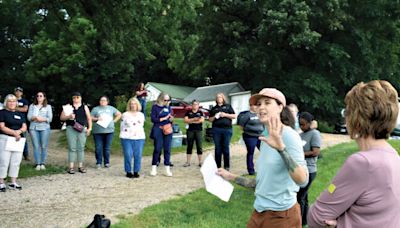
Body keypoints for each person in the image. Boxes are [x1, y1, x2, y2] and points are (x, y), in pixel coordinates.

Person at [308, 80, 400, 228]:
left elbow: (317, 217)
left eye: (347, 111)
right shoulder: (394, 156)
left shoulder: (363, 162)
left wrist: (339, 222)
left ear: (355, 117)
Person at [217, 88, 308, 227]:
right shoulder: (265, 136)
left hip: (281, 216)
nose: (261, 107)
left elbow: (302, 180)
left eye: (267, 102)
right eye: (258, 104)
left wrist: (281, 149)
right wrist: (230, 176)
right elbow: (262, 184)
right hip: (259, 211)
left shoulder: (289, 135)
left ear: (280, 107)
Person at [296, 111, 321, 226]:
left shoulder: (314, 134)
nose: (301, 126)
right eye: (300, 124)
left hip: (310, 170)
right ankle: (305, 221)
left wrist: (299, 154)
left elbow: (315, 152)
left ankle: (298, 222)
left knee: (299, 197)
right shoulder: (300, 135)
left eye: (303, 124)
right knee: (304, 197)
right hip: (301, 169)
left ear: (310, 123)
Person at [0, 94, 28, 191]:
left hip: (18, 140)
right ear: (6, 102)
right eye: (9, 101)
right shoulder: (2, 112)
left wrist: (19, 132)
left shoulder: (19, 113)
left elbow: (24, 126)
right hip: (6, 138)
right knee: (4, 161)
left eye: (13, 101)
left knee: (16, 161)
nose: (12, 103)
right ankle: (1, 182)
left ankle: (13, 182)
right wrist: (14, 133)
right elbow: (2, 126)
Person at [60, 92, 92, 174]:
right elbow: (62, 118)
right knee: (72, 147)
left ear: (80, 98)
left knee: (81, 147)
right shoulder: (68, 107)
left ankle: (80, 166)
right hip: (71, 128)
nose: (76, 99)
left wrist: (89, 128)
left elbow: (89, 118)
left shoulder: (84, 107)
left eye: (77, 97)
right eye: (74, 97)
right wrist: (69, 116)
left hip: (81, 128)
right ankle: (71, 167)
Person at [91, 96, 121, 168]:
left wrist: (114, 121)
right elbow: (90, 117)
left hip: (109, 131)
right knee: (98, 147)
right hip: (98, 131)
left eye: (104, 100)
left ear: (107, 102)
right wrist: (97, 118)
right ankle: (98, 162)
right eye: (101, 100)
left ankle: (106, 162)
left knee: (107, 148)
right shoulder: (96, 109)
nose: (102, 102)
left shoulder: (111, 108)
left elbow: (119, 114)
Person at [209, 93, 236, 170]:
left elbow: (234, 116)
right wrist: (215, 116)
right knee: (218, 148)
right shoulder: (214, 108)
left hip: (227, 129)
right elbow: (210, 119)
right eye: (217, 97)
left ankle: (227, 166)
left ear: (223, 98)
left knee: (225, 147)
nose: (219, 98)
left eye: (220, 97)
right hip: (216, 130)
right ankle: (218, 166)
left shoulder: (228, 106)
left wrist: (225, 115)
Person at [120, 97, 145, 178]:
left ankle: (136, 171)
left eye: (134, 104)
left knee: (138, 155)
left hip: (139, 137)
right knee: (128, 154)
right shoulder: (125, 115)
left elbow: (140, 125)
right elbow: (122, 126)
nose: (133, 105)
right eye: (131, 104)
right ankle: (128, 171)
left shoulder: (141, 115)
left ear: (137, 105)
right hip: (127, 137)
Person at [27, 92, 53, 170]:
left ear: (44, 97)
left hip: (45, 128)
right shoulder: (32, 106)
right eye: (37, 96)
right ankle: (37, 163)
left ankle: (42, 163)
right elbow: (28, 117)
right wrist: (35, 118)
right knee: (36, 146)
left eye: (41, 96)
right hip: (33, 127)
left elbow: (50, 118)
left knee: (44, 146)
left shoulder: (48, 106)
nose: (39, 97)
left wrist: (42, 119)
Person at [150, 92, 174, 176]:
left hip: (168, 129)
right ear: (160, 99)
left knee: (167, 149)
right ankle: (154, 167)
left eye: (168, 100)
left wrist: (171, 119)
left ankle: (167, 168)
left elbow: (172, 119)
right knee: (157, 148)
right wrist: (164, 118)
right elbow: (153, 119)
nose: (167, 101)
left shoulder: (169, 107)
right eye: (165, 100)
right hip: (158, 129)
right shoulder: (155, 107)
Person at [237, 102, 264, 175]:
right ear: (251, 106)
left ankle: (264, 168)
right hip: (250, 136)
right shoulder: (247, 115)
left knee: (264, 151)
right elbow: (241, 126)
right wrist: (248, 131)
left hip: (260, 136)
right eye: (255, 105)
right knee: (251, 152)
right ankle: (251, 170)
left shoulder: (259, 114)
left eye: (257, 105)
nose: (256, 107)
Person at [183, 100, 204, 167]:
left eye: (196, 104)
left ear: (198, 105)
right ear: (192, 105)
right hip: (190, 131)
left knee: (199, 146)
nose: (195, 105)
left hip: (198, 131)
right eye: (194, 104)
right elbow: (185, 120)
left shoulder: (200, 112)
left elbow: (201, 120)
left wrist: (191, 121)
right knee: (189, 146)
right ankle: (188, 162)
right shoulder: (188, 112)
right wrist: (194, 119)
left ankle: (200, 162)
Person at [14, 87, 30, 161]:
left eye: (19, 91)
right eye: (16, 91)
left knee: (23, 139)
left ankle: (26, 155)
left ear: (22, 93)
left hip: (22, 121)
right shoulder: (12, 100)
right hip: (12, 121)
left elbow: (25, 109)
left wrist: (15, 108)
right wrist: (19, 108)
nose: (18, 92)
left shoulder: (24, 101)